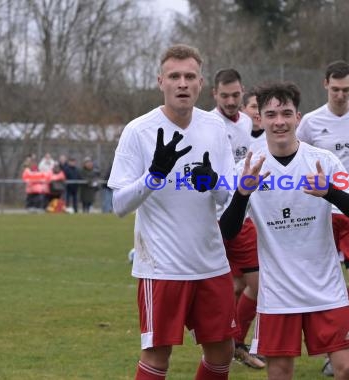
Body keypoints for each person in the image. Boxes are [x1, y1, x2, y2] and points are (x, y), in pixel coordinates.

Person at [220, 82, 349, 380]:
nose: (279, 122)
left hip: (326, 288)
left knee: (347, 367)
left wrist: (330, 192)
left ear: (298, 117)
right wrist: (242, 194)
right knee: (280, 372)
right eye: (271, 114)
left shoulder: (322, 161)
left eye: (286, 113)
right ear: (259, 119)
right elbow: (227, 230)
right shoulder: (248, 167)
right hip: (278, 293)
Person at [108, 44, 238, 380]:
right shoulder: (139, 131)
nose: (182, 83)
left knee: (222, 349)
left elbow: (229, 196)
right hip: (162, 266)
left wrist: (212, 182)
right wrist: (153, 176)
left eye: (189, 76)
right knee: (157, 355)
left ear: (200, 82)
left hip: (211, 262)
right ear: (160, 81)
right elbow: (120, 205)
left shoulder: (214, 128)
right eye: (174, 76)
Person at [296, 60, 349, 376]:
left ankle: (337, 340)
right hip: (319, 215)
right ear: (325, 85)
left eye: (346, 89)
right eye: (335, 89)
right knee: (314, 285)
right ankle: (335, 349)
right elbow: (298, 160)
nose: (341, 95)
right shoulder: (310, 122)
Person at [210, 68, 265, 369]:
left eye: (235, 95)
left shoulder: (249, 124)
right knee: (227, 287)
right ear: (214, 95)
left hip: (243, 218)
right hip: (211, 220)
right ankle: (220, 344)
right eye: (224, 95)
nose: (231, 101)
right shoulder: (205, 124)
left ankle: (236, 343)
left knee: (257, 284)